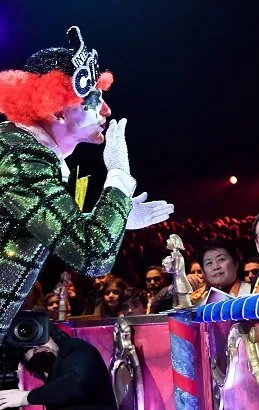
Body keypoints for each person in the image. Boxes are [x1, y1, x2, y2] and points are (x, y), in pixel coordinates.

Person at [0, 26, 174, 342]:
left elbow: (49, 230)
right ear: (57, 110)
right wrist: (120, 175)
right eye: (93, 99)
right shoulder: (22, 156)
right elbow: (93, 257)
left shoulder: (18, 148)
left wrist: (115, 221)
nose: (105, 110)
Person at [0, 325, 117, 409]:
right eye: (28, 346)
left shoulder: (76, 348)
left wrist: (26, 397)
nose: (36, 345)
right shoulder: (51, 390)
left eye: (42, 338)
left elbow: (76, 382)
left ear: (55, 340)